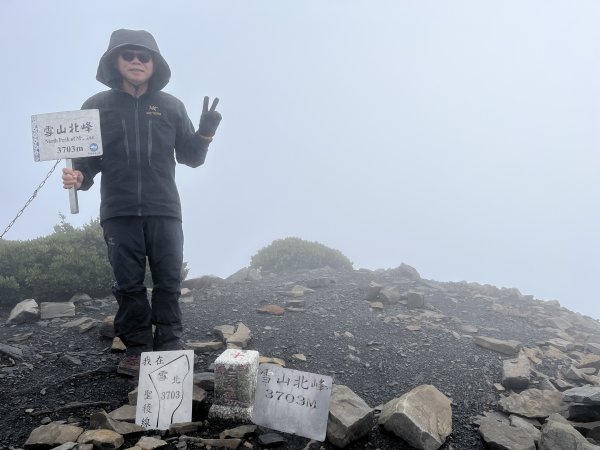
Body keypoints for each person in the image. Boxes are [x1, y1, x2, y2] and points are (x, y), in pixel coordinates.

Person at [62, 29, 222, 376]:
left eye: (144, 56)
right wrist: (79, 178)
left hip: (164, 208)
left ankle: (169, 346)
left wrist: (206, 132)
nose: (136, 61)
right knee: (128, 284)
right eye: (128, 55)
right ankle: (136, 349)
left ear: (154, 64)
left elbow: (191, 157)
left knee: (168, 281)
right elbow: (86, 163)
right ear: (115, 62)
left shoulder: (171, 106)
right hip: (118, 211)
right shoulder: (96, 106)